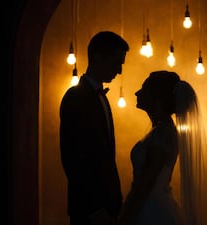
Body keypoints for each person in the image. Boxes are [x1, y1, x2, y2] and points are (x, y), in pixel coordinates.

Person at [118, 71, 207, 225]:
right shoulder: (161, 130)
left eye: (144, 89)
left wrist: (124, 218)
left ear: (157, 97)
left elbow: (146, 183)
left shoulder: (164, 133)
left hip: (151, 211)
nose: (137, 92)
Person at [59, 31, 129, 225]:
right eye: (117, 62)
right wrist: (95, 210)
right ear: (98, 57)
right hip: (90, 211)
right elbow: (73, 157)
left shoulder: (101, 97)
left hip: (107, 208)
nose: (120, 71)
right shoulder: (76, 98)